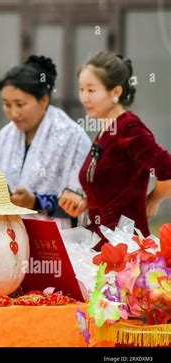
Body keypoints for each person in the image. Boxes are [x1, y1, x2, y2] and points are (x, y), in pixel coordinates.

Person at [60, 51, 171, 240]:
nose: (84, 98)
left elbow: (167, 169)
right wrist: (85, 203)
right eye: (81, 89)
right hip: (99, 240)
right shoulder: (106, 130)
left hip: (124, 245)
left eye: (91, 90)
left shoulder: (129, 129)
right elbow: (113, 191)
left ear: (116, 92)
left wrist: (153, 200)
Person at [0, 55, 91, 229]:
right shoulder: (4, 137)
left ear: (44, 100)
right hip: (6, 236)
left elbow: (81, 203)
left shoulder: (72, 137)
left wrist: (36, 202)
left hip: (56, 239)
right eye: (6, 104)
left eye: (20, 104)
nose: (13, 113)